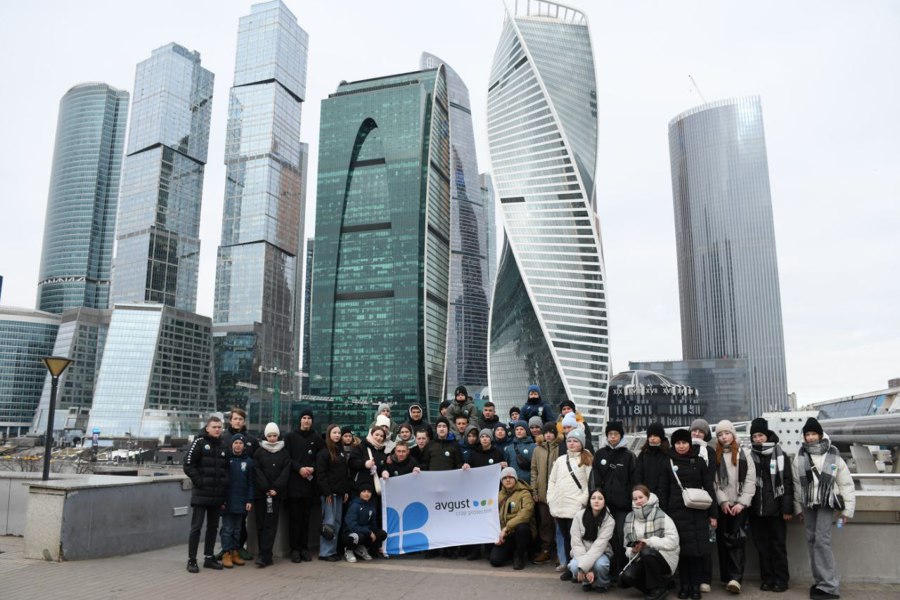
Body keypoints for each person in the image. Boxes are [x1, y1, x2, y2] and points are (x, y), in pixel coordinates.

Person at [792, 417, 855, 600]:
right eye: (807, 434)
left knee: (822, 541)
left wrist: (847, 511)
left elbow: (846, 483)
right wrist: (798, 509)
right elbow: (797, 485)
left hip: (827, 503)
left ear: (820, 434)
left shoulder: (833, 453)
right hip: (808, 503)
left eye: (813, 434)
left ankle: (830, 586)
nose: (810, 437)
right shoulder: (800, 455)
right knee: (812, 540)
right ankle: (820, 581)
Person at [667, 429, 718, 600]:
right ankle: (685, 585)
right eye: (678, 443)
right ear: (673, 444)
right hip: (676, 512)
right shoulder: (667, 462)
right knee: (681, 550)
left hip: (697, 511)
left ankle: (695, 585)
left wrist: (713, 514)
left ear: (690, 443)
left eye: (684, 442)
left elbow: (709, 487)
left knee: (697, 551)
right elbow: (663, 488)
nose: (681, 446)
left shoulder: (699, 460)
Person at [748, 417, 793, 593]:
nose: (758, 439)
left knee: (778, 546)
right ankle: (767, 578)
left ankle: (781, 579)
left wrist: (787, 509)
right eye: (755, 436)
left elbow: (787, 483)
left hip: (776, 510)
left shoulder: (780, 454)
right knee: (762, 547)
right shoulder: (750, 455)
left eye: (761, 435)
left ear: (767, 435)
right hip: (756, 510)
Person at [714, 420, 757, 594]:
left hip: (740, 505)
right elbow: (714, 482)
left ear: (733, 434)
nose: (724, 437)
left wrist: (741, 503)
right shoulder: (715, 455)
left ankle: (735, 578)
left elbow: (750, 480)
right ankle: (726, 577)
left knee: (737, 541)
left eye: (727, 433)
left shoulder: (744, 454)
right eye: (720, 434)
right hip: (722, 505)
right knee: (722, 540)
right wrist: (723, 501)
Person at [183, 416, 229, 573]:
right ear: (207, 428)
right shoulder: (199, 442)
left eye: (219, 427)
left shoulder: (223, 445)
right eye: (214, 427)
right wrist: (200, 482)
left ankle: (209, 558)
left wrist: (223, 487)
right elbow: (188, 465)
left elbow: (226, 469)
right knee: (196, 527)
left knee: (213, 527)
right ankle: (192, 560)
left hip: (217, 495)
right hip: (201, 494)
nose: (217, 429)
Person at [592, 420, 636, 580]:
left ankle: (622, 570)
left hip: (622, 506)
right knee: (605, 537)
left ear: (620, 436)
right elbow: (596, 478)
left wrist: (631, 501)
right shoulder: (600, 454)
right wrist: (597, 496)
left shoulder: (628, 455)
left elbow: (633, 480)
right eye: (610, 434)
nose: (612, 437)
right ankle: (607, 571)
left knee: (621, 537)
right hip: (605, 504)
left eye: (616, 434)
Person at [621, 485, 680, 600]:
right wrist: (633, 550)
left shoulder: (662, 516)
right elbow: (626, 545)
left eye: (641, 497)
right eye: (635, 499)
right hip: (641, 558)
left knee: (647, 551)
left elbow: (673, 541)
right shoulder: (629, 518)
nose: (638, 501)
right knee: (627, 577)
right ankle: (659, 587)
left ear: (648, 497)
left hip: (665, 558)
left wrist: (649, 542)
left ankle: (657, 590)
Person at [548, 428, 592, 580]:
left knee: (577, 540)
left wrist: (582, 502)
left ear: (581, 443)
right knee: (566, 538)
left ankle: (578, 567)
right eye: (569, 441)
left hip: (575, 507)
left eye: (575, 441)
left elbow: (589, 485)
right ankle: (568, 566)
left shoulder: (586, 459)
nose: (572, 444)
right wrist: (550, 498)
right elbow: (552, 480)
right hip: (559, 506)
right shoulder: (560, 460)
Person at [284, 409, 325, 563]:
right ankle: (294, 549)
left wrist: (312, 468)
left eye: (309, 418)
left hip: (309, 486)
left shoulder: (317, 438)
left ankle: (303, 548)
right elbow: (287, 458)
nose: (306, 420)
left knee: (306, 520)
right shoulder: (290, 437)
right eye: (304, 418)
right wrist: (299, 468)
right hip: (294, 484)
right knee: (294, 519)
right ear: (300, 420)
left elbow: (320, 457)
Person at [219, 407, 259, 562]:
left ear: (244, 421)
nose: (237, 421)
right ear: (230, 420)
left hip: (242, 492)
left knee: (239, 525)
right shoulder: (222, 438)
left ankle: (237, 548)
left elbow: (255, 464)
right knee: (227, 526)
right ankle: (226, 550)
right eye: (235, 418)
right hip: (227, 492)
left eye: (240, 419)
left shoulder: (251, 440)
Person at [253, 422, 291, 568]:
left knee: (271, 525)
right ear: (265, 436)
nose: (272, 438)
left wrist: (276, 488)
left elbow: (285, 472)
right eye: (270, 435)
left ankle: (266, 555)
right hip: (261, 495)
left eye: (275, 435)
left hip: (276, 495)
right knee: (260, 524)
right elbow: (257, 471)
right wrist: (266, 488)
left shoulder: (284, 452)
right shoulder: (259, 451)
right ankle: (262, 554)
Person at [316, 424, 353, 562]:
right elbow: (321, 475)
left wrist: (345, 491)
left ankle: (332, 550)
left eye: (339, 433)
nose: (337, 435)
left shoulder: (341, 451)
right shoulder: (324, 452)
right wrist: (327, 493)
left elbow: (344, 474)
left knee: (336, 523)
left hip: (340, 493)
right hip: (329, 494)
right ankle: (325, 552)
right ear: (329, 434)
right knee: (329, 523)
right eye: (334, 433)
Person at [568, 489, 615, 592]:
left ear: (605, 501)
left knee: (600, 565)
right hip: (582, 551)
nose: (596, 501)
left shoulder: (609, 520)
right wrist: (584, 568)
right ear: (589, 501)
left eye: (600, 498)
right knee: (575, 566)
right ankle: (587, 581)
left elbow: (599, 546)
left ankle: (602, 583)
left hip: (601, 552)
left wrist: (585, 567)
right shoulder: (579, 516)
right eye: (593, 498)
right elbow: (576, 543)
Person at [489, 467, 536, 570]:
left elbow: (526, 514)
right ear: (501, 481)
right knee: (495, 561)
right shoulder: (498, 495)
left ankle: (520, 556)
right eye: (505, 478)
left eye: (511, 477)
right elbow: (492, 516)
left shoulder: (525, 493)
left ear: (516, 479)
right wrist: (496, 535)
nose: (508, 480)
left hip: (520, 533)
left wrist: (507, 528)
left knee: (522, 527)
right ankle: (511, 551)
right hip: (506, 534)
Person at [690, 418, 716, 593]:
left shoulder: (710, 451)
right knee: (688, 541)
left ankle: (705, 578)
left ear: (706, 434)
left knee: (705, 541)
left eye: (701, 431)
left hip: (705, 498)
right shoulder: (683, 448)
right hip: (686, 499)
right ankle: (691, 578)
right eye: (695, 430)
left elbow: (710, 477)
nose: (697, 433)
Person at [220, 434, 254, 568]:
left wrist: (249, 500)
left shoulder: (249, 462)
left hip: (241, 501)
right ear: (231, 445)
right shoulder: (226, 460)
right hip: (227, 501)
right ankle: (226, 553)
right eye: (236, 443)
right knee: (227, 529)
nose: (238, 445)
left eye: (240, 443)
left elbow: (251, 483)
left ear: (244, 446)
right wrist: (221, 500)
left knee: (237, 529)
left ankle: (235, 552)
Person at [531, 421, 560, 564]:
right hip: (542, 493)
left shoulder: (560, 448)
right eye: (546, 432)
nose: (548, 435)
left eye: (551, 432)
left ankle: (559, 551)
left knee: (558, 523)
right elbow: (534, 470)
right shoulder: (537, 449)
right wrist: (534, 489)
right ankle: (546, 550)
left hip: (557, 494)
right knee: (545, 523)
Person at [341, 482, 387, 562]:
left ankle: (362, 548)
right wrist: (368, 532)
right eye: (364, 491)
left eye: (369, 492)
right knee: (358, 536)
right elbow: (352, 525)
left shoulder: (371, 507)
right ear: (360, 493)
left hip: (363, 532)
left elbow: (373, 526)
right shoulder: (354, 505)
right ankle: (349, 550)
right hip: (350, 533)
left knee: (382, 534)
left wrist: (373, 535)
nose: (366, 494)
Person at [635, 422, 672, 510]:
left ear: (661, 437)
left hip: (663, 498)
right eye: (650, 436)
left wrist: (660, 495)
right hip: (644, 496)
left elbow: (667, 477)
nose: (652, 438)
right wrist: (642, 492)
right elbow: (638, 474)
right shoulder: (643, 453)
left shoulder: (667, 454)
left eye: (655, 436)